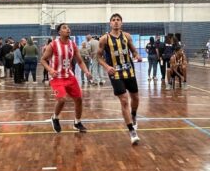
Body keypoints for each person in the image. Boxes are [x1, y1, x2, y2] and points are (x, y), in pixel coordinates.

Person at [98, 13, 143, 145]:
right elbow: (99, 57)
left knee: (135, 98)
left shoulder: (127, 36)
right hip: (115, 73)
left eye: (118, 20)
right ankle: (132, 132)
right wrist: (107, 67)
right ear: (110, 23)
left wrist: (137, 55)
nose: (116, 22)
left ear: (121, 23)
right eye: (113, 20)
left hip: (129, 72)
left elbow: (133, 51)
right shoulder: (104, 39)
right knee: (124, 100)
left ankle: (133, 115)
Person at [42, 23, 94, 133]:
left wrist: (86, 72)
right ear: (59, 32)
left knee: (79, 99)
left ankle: (77, 122)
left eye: (68, 27)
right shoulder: (53, 45)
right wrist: (50, 70)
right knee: (62, 99)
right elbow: (42, 60)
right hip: (57, 77)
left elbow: (80, 61)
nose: (68, 29)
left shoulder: (73, 44)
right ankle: (55, 118)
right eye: (64, 28)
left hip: (69, 76)